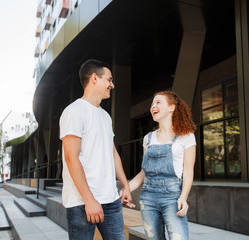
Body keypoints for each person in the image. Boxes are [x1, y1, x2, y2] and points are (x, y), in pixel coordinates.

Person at [59, 59, 133, 240]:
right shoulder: (74, 111)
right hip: (82, 202)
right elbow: (71, 158)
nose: (112, 85)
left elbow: (112, 152)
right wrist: (89, 200)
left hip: (111, 198)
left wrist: (125, 185)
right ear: (94, 78)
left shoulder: (105, 116)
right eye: (109, 80)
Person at [123, 91, 197, 240]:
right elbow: (144, 173)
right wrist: (126, 190)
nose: (153, 106)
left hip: (172, 197)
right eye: (152, 104)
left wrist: (183, 197)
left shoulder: (186, 136)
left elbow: (188, 170)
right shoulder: (148, 139)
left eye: (158, 103)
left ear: (172, 107)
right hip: (147, 198)